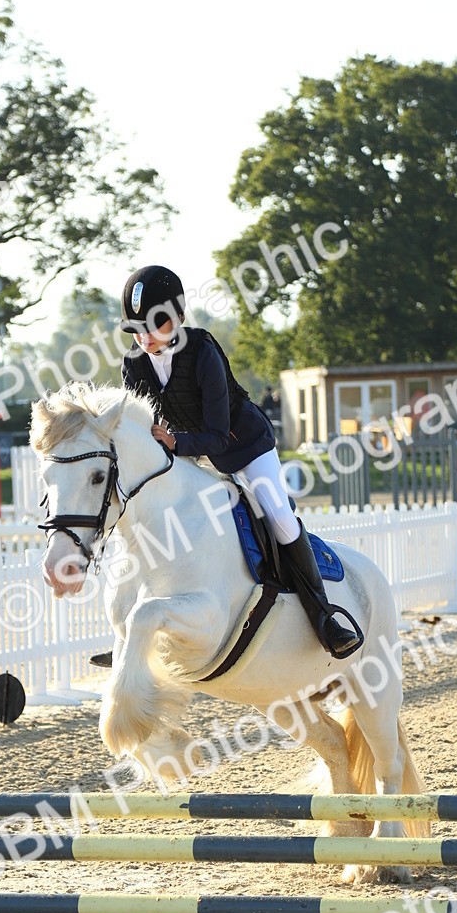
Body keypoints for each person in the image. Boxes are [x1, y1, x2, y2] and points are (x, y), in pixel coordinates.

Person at [103, 264, 362, 661]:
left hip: (243, 448)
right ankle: (127, 639)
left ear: (176, 319)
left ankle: (325, 616)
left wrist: (174, 441)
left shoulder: (203, 352)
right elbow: (141, 429)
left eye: (152, 326)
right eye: (136, 329)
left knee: (278, 517)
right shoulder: (134, 364)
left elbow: (218, 435)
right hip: (189, 454)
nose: (143, 336)